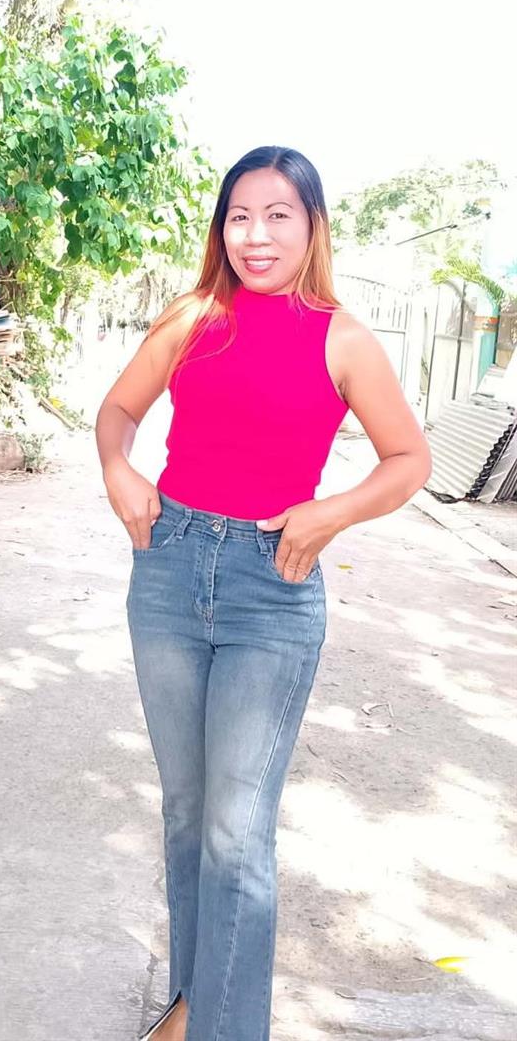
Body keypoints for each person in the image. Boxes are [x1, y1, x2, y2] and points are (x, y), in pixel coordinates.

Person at [95, 145, 432, 1041]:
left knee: (236, 831)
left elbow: (409, 459)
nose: (256, 234)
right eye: (239, 215)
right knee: (186, 814)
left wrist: (332, 514)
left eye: (279, 214)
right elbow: (119, 411)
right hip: (168, 570)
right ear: (222, 228)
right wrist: (119, 469)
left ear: (313, 226)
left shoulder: (342, 337)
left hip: (271, 589)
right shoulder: (193, 317)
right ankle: (192, 1009)